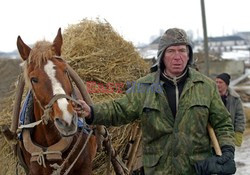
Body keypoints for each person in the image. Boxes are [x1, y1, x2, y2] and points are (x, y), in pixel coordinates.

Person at [75, 28, 236, 174]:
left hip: (197, 169)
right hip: (159, 170)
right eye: (171, 51)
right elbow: (120, 109)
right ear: (162, 56)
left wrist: (227, 151)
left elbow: (223, 123)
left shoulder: (206, 86)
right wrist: (92, 112)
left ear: (189, 55)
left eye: (182, 50)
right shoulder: (145, 86)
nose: (177, 57)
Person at [216, 73, 246, 147]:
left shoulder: (235, 99)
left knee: (228, 156)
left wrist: (239, 133)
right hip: (214, 134)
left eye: (220, 82)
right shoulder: (212, 97)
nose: (218, 84)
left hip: (229, 134)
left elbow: (240, 117)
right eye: (216, 82)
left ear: (226, 84)